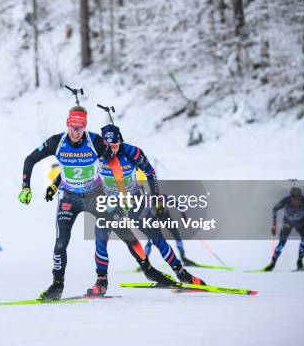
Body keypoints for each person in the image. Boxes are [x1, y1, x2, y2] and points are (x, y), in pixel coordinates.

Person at [19, 106, 174, 300]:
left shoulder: (96, 142)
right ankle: (57, 286)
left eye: (80, 127)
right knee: (61, 242)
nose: (76, 132)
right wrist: (26, 187)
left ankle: (148, 270)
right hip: (69, 197)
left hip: (95, 195)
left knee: (124, 232)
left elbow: (115, 165)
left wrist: (124, 193)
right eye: (72, 127)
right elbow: (30, 159)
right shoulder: (56, 142)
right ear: (67, 124)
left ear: (85, 126)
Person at [51, 124, 205, 297]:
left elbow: (150, 172)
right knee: (100, 239)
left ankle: (181, 272)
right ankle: (101, 281)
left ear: (120, 141)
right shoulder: (94, 152)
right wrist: (56, 185)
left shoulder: (132, 152)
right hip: (107, 203)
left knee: (156, 237)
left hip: (133, 201)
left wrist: (154, 196)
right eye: (109, 145)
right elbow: (68, 171)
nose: (112, 149)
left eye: (115, 144)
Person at [264, 187, 304, 271]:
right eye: (294, 198)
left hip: (301, 222)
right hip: (288, 222)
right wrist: (274, 225)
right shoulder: (286, 200)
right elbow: (275, 209)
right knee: (281, 243)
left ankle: (300, 262)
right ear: (291, 197)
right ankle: (272, 264)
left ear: (301, 197)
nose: (297, 200)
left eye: (299, 198)